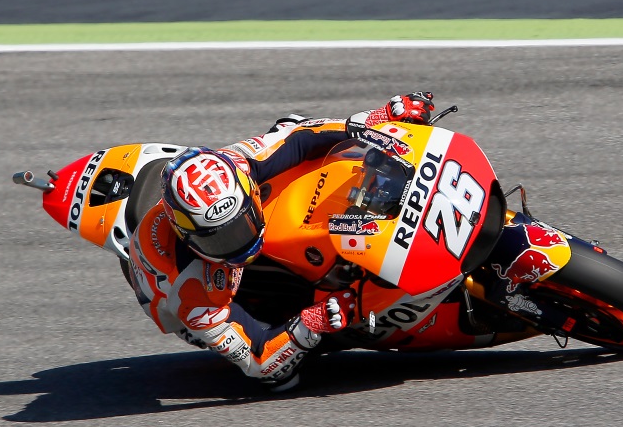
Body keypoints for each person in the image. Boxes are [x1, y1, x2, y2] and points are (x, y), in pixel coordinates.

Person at [126, 92, 435, 391]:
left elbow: (300, 137)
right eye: (220, 239)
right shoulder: (191, 294)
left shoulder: (237, 163)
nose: (238, 244)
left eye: (241, 225)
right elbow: (260, 361)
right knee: (281, 380)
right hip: (199, 295)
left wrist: (375, 121)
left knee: (290, 124)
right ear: (186, 234)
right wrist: (309, 325)